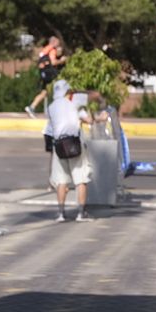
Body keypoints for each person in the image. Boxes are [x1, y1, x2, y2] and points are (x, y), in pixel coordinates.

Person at [47, 80, 98, 221]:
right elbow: (94, 97)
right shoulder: (74, 101)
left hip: (58, 145)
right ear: (67, 92)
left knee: (61, 180)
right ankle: (81, 213)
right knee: (81, 178)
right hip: (74, 143)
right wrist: (82, 92)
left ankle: (61, 213)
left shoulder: (51, 107)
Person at [25, 36, 66, 117]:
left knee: (44, 92)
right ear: (53, 42)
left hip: (44, 73)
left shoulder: (45, 49)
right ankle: (60, 110)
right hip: (51, 74)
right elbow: (53, 62)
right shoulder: (52, 50)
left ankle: (32, 107)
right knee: (60, 90)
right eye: (57, 43)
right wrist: (61, 61)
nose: (58, 45)